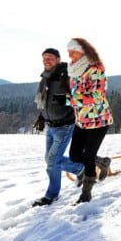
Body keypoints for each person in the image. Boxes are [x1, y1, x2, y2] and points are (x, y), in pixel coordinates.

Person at [32, 48, 85, 207]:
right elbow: (45, 102)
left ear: (58, 59)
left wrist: (67, 101)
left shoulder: (67, 75)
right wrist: (42, 117)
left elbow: (82, 97)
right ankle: (80, 169)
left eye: (50, 57)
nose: (46, 60)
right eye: (44, 58)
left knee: (52, 161)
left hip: (64, 125)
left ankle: (51, 195)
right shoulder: (45, 78)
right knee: (50, 160)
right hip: (50, 126)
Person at [66, 38, 113, 204]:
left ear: (83, 51)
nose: (69, 55)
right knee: (74, 155)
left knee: (88, 156)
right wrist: (65, 100)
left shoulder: (96, 69)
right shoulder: (72, 71)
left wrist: (73, 100)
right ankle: (103, 162)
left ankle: (86, 194)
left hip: (98, 120)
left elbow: (97, 96)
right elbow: (72, 95)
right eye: (69, 52)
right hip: (81, 121)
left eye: (73, 51)